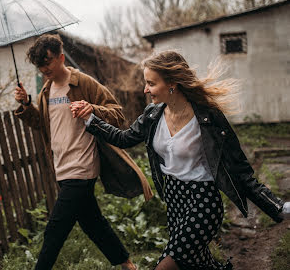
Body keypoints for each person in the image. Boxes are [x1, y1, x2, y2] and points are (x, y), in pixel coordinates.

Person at [70, 50, 289, 270]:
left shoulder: (208, 117)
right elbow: (123, 138)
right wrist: (90, 118)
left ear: (172, 83)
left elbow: (240, 170)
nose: (146, 89)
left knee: (167, 264)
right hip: (174, 199)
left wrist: (278, 207)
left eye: (151, 83)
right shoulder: (152, 115)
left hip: (203, 201)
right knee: (193, 264)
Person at [14, 34, 148, 270]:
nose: (44, 69)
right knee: (92, 222)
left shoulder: (83, 83)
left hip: (83, 166)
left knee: (55, 228)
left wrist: (92, 109)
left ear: (61, 57)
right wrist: (26, 105)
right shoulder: (45, 92)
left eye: (47, 62)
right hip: (62, 166)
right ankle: (126, 264)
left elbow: (117, 113)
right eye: (39, 66)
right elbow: (42, 125)